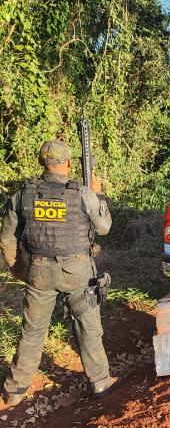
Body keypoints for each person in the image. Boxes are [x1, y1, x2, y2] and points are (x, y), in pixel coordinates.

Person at [0, 140, 120, 407]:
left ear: (42, 162)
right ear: (68, 163)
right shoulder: (82, 193)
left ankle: (15, 390)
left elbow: (6, 239)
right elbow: (103, 228)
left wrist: (17, 269)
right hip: (77, 271)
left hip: (38, 271)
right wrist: (98, 195)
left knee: (31, 331)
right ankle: (100, 381)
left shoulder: (22, 195)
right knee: (88, 327)